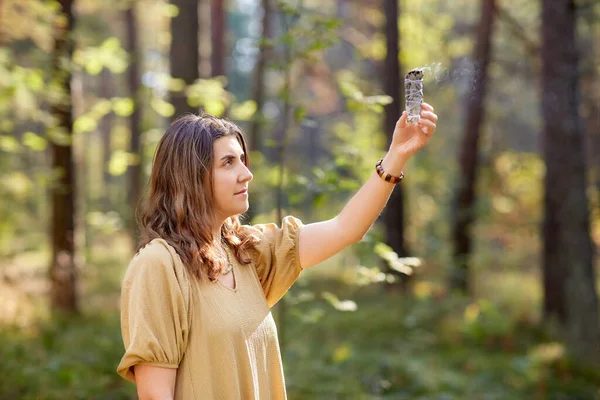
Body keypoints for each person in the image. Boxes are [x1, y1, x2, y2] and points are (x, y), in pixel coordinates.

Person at [116, 105, 438, 399]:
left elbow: (345, 228)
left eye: (243, 159)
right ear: (190, 177)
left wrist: (396, 154)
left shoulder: (246, 253)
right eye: (228, 162)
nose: (246, 173)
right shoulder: (159, 265)